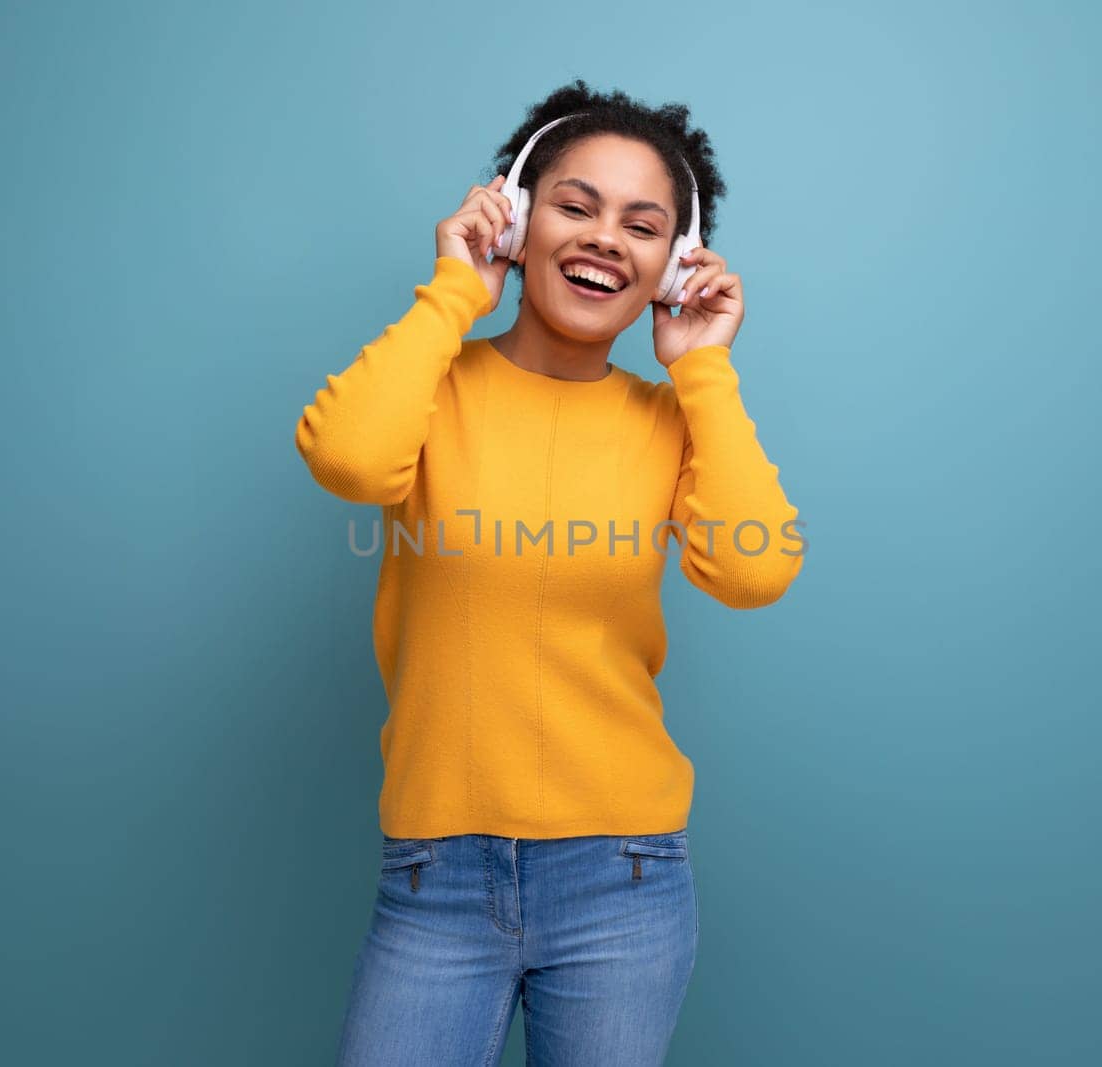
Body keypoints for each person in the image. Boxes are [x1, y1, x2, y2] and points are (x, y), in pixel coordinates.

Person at [296, 79, 805, 1066]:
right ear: (517, 219)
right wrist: (453, 290)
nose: (605, 237)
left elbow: (753, 571)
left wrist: (702, 369)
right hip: (433, 877)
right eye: (574, 205)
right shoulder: (431, 389)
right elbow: (349, 459)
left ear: (673, 263)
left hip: (621, 879)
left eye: (642, 224)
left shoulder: (670, 424)